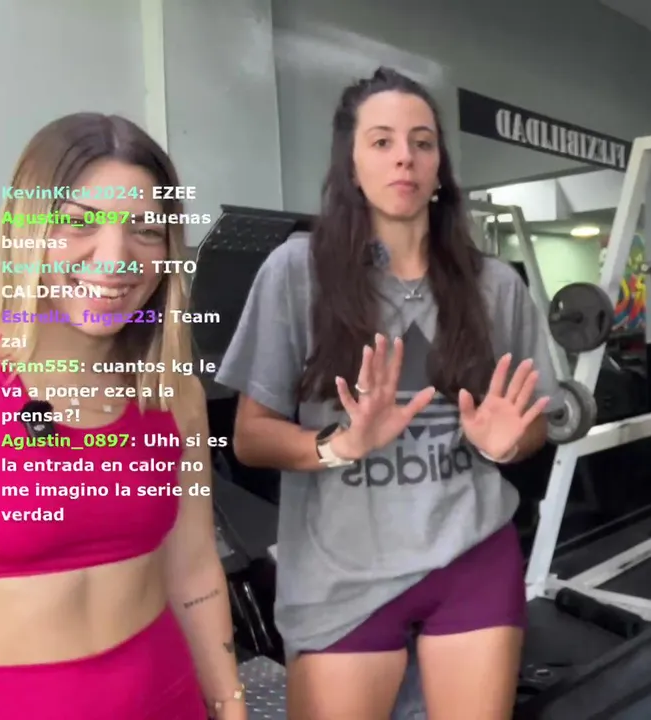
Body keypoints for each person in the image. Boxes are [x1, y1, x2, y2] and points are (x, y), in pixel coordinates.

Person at [217, 67, 557, 719]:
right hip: (342, 571)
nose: (405, 156)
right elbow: (251, 438)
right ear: (350, 163)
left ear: (439, 166)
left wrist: (508, 445)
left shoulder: (495, 286)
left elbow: (534, 423)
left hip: (470, 554)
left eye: (422, 142)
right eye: (382, 141)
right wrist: (340, 445)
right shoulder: (296, 272)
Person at [0, 114, 246, 720]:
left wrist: (229, 704)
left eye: (145, 229)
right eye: (79, 222)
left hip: (167, 698)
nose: (114, 257)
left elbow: (192, 569)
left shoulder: (172, 393)